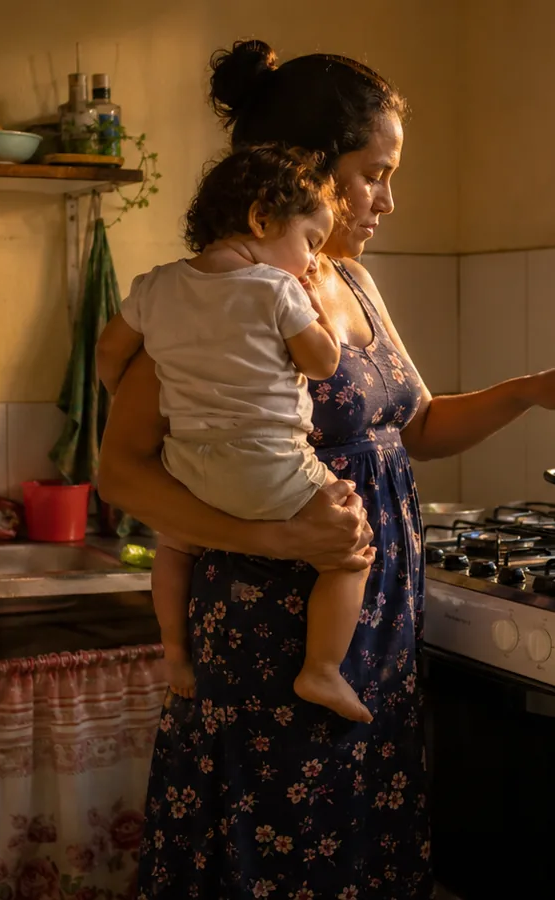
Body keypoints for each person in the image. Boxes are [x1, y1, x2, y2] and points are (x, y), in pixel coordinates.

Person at [97, 39, 555, 899]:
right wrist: (268, 533)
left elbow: (418, 427)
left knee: (361, 845)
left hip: (372, 632)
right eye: (372, 173)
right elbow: (121, 472)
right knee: (277, 851)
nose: (387, 199)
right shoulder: (221, 299)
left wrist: (532, 389)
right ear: (306, 172)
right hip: (266, 631)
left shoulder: (353, 284)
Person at [96, 143, 376, 723]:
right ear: (261, 219)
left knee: (175, 545)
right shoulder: (275, 290)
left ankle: (175, 652)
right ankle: (322, 669)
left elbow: (109, 352)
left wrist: (118, 390)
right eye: (310, 244)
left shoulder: (156, 286)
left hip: (190, 467)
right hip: (270, 466)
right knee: (349, 543)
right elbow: (323, 364)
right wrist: (317, 313)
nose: (309, 262)